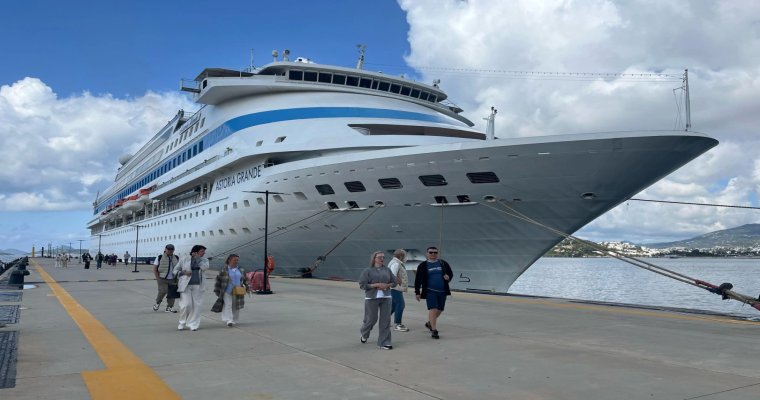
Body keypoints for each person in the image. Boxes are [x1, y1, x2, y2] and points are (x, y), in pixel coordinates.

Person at [358, 251, 396, 350]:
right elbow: (362, 285)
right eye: (379, 257)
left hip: (386, 297)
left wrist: (387, 285)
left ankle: (384, 342)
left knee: (386, 320)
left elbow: (394, 282)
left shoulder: (387, 270)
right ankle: (364, 333)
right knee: (371, 319)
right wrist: (375, 285)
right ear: (374, 259)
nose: (382, 259)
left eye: (383, 257)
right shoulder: (367, 271)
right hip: (371, 298)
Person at [414, 246, 453, 339]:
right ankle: (434, 330)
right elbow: (418, 280)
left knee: (440, 309)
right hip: (430, 291)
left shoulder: (443, 263)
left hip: (442, 291)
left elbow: (450, 273)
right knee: (433, 308)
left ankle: (429, 323)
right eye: (431, 252)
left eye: (435, 252)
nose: (433, 254)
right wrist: (417, 292)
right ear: (427, 254)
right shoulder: (423, 265)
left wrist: (448, 277)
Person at [173, 245, 209, 331]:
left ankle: (193, 324)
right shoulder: (184, 259)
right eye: (202, 251)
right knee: (186, 305)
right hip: (185, 285)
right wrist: (184, 273)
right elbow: (175, 271)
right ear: (195, 252)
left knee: (196, 306)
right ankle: (182, 322)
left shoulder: (204, 260)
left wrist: (197, 259)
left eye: (204, 251)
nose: (204, 253)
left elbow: (204, 268)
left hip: (198, 285)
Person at [214, 254, 249, 327]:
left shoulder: (241, 269)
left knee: (236, 305)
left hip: (238, 290)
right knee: (228, 304)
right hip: (227, 290)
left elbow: (246, 279)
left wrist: (248, 288)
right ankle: (229, 320)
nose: (236, 261)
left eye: (237, 260)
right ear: (229, 260)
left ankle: (234, 319)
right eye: (235, 260)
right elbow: (218, 280)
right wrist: (217, 290)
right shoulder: (224, 269)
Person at [152, 244, 180, 313]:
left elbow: (179, 267)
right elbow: (155, 268)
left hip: (173, 279)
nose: (170, 251)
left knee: (172, 293)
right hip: (162, 278)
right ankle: (157, 303)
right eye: (169, 249)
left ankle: (169, 307)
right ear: (165, 249)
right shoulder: (160, 257)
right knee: (162, 291)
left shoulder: (176, 257)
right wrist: (157, 277)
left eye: (172, 250)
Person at [388, 249, 410, 332]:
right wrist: (398, 281)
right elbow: (392, 275)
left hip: (395, 287)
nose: (406, 258)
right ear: (401, 256)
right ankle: (398, 324)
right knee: (400, 304)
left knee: (394, 306)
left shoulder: (395, 262)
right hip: (395, 288)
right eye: (405, 256)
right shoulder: (396, 264)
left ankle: (385, 320)